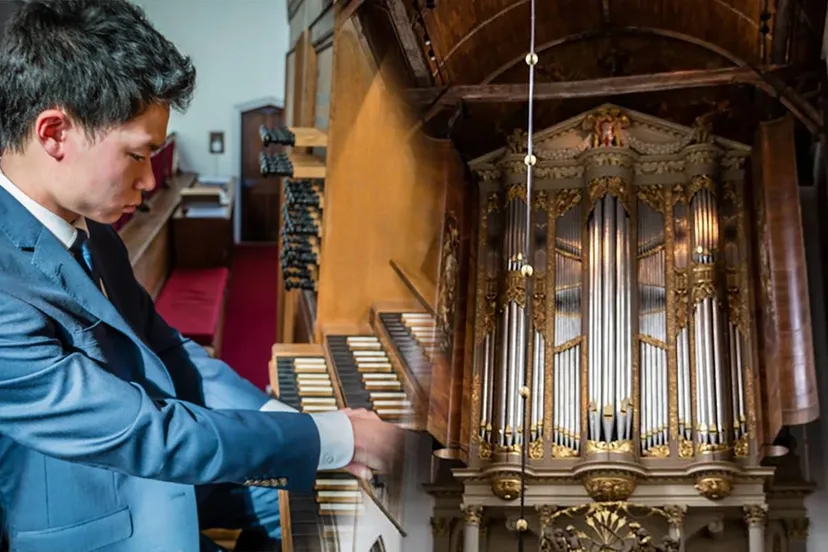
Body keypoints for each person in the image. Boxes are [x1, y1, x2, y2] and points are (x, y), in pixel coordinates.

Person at [0, 1, 404, 551]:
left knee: (312, 495)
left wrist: (287, 420)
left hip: (162, 468)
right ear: (54, 133)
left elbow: (171, 352)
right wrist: (337, 436)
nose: (148, 181)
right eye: (138, 155)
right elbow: (153, 437)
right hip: (101, 519)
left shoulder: (96, 232)